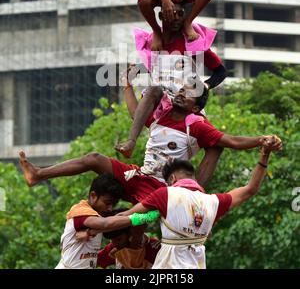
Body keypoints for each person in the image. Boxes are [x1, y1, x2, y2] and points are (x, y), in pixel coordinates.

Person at [19, 82, 282, 204]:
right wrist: (126, 86)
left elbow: (231, 140)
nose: (181, 93)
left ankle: (192, 198)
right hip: (139, 174)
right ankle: (38, 174)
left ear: (197, 105)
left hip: (160, 187)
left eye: (189, 93)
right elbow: (137, 113)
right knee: (94, 159)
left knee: (139, 220)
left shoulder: (196, 124)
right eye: (181, 89)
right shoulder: (162, 114)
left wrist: (261, 139)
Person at [119, 146, 279, 269]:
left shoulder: (165, 194)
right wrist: (265, 155)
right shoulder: (213, 202)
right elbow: (250, 189)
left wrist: (99, 223)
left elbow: (128, 216)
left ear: (172, 179)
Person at [55, 173, 159, 269]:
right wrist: (146, 216)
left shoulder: (155, 247)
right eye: (107, 203)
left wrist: (90, 232)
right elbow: (106, 224)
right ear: (93, 196)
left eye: (113, 204)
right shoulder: (80, 211)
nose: (110, 208)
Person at [133, 3, 227, 93]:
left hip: (184, 101)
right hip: (158, 102)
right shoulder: (153, 42)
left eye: (181, 14)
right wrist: (136, 69)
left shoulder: (192, 43)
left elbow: (221, 71)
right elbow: (155, 67)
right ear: (161, 16)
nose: (177, 18)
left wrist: (206, 86)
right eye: (171, 14)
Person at [93, 209, 160, 269]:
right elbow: (93, 261)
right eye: (111, 240)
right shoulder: (113, 248)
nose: (114, 243)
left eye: (119, 239)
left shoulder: (155, 247)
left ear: (131, 234)